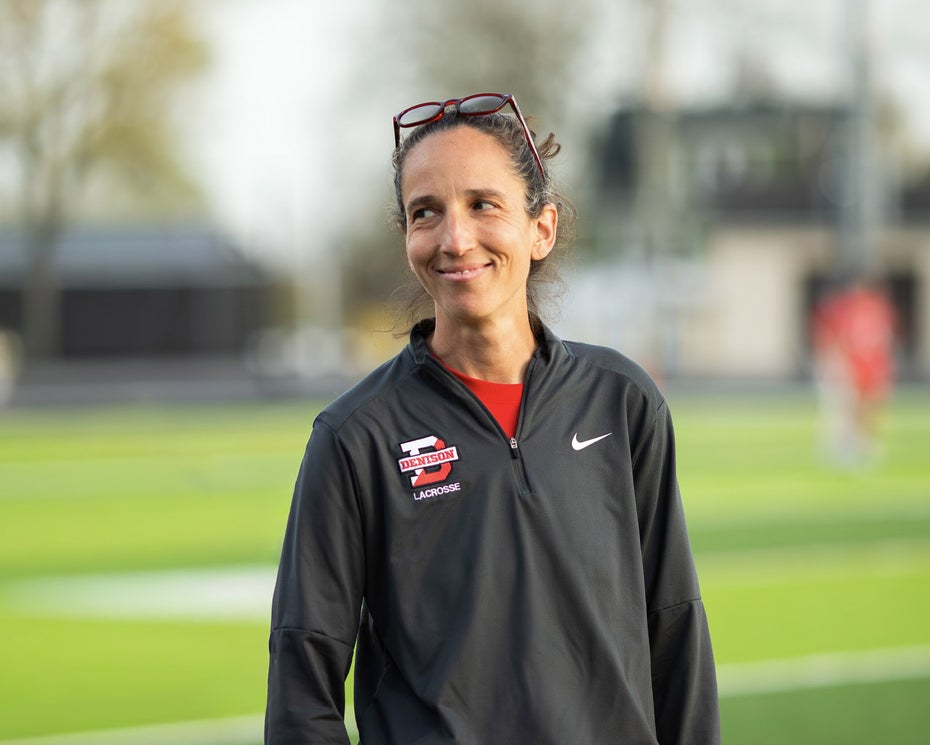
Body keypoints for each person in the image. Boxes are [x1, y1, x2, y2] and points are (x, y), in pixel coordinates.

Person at [265, 93, 720, 745]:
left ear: (543, 228)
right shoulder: (354, 437)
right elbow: (301, 690)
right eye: (427, 212)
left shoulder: (622, 400)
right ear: (406, 239)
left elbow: (675, 628)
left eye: (483, 204)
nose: (455, 238)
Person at [811, 275, 897, 464]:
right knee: (846, 408)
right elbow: (835, 338)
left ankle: (864, 444)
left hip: (870, 365)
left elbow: (883, 341)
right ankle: (845, 447)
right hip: (851, 365)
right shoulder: (845, 310)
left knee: (869, 406)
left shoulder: (878, 309)